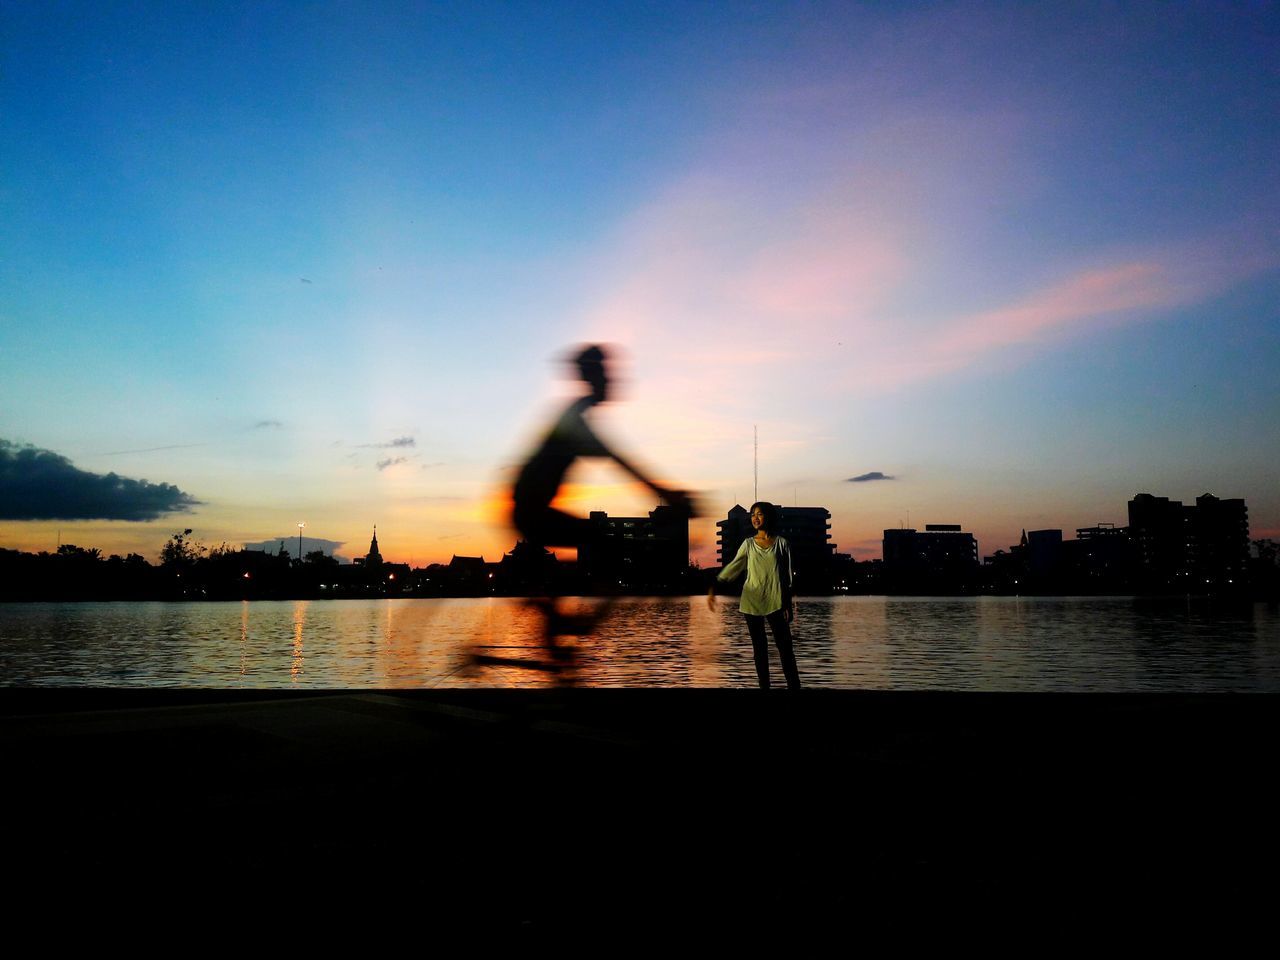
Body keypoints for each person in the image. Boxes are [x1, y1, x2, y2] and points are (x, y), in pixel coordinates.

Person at [510, 344, 694, 660]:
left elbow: (618, 460)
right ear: (594, 379)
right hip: (530, 513)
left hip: (531, 510)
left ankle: (554, 630)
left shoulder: (576, 415)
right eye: (606, 375)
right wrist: (672, 496)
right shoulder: (575, 421)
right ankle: (559, 620)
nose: (612, 382)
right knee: (600, 539)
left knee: (596, 539)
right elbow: (621, 461)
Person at [707, 501, 801, 690]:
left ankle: (795, 687)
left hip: (776, 600)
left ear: (769, 517)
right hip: (752, 602)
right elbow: (735, 566)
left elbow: (788, 577)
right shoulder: (748, 544)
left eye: (759, 514)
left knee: (785, 647)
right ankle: (764, 688)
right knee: (760, 648)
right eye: (752, 515)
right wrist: (715, 587)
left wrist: (789, 605)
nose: (755, 518)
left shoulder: (782, 544)